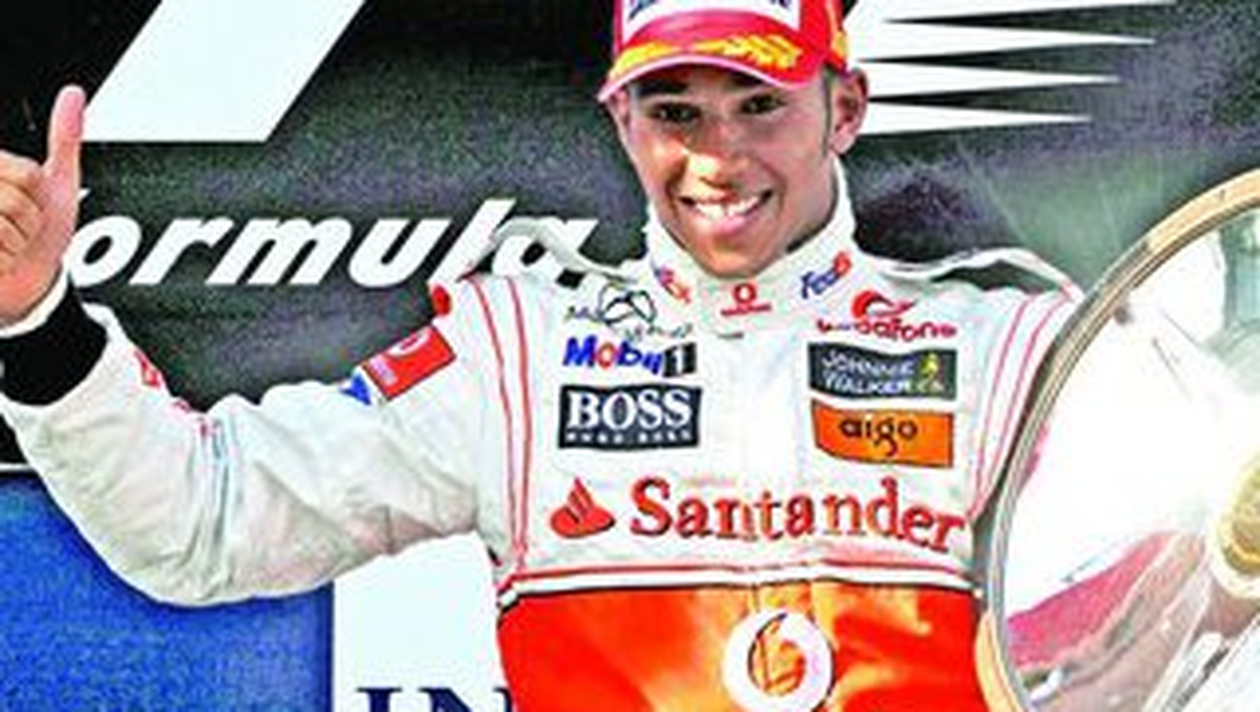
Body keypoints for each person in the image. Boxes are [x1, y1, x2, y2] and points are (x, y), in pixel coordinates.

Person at [0, 0, 1079, 709]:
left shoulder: (1004, 346)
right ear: (621, 119)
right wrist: (37, 316)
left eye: (760, 105)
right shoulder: (521, 354)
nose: (718, 157)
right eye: (676, 111)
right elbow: (204, 520)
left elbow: (1149, 619)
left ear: (843, 109)